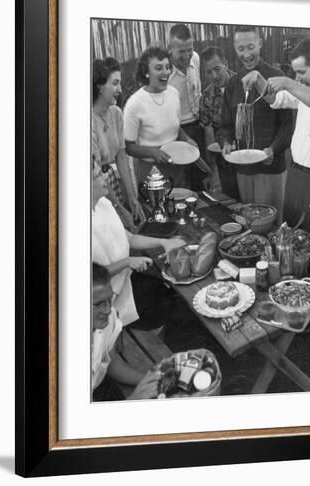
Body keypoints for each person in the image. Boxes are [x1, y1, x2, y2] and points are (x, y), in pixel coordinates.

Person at [242, 38, 310, 233]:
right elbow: (275, 99)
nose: (298, 78)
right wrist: (258, 78)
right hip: (294, 175)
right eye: (295, 73)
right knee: (290, 233)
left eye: (301, 72)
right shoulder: (305, 88)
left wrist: (287, 82)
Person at [92, 158, 186, 328]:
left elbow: (129, 237)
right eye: (98, 175)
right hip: (107, 298)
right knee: (165, 302)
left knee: (167, 290)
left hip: (126, 278)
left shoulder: (103, 204)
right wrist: (127, 262)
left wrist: (164, 242)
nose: (105, 178)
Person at [217, 26, 293, 224]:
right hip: (243, 168)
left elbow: (287, 126)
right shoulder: (233, 84)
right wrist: (225, 141)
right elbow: (225, 124)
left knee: (272, 222)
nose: (246, 54)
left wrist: (273, 149)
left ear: (260, 43)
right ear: (234, 48)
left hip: (272, 168)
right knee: (249, 221)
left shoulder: (276, 77)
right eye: (241, 49)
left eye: (251, 47)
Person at [123, 46, 197, 188]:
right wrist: (152, 152)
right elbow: (128, 147)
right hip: (151, 170)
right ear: (146, 72)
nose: (165, 72)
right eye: (158, 68)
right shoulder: (135, 103)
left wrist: (186, 139)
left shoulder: (173, 93)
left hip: (177, 166)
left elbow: (175, 126)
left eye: (167, 67)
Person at [91, 262, 162, 400]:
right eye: (98, 304)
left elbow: (112, 362)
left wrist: (150, 380)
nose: (107, 310)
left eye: (109, 299)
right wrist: (135, 398)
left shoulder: (108, 317)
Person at [92, 57, 145, 229]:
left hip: (112, 183)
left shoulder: (116, 113)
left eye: (120, 83)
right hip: (95, 188)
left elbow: (122, 158)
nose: (120, 89)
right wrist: (118, 208)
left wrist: (132, 198)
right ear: (99, 86)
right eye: (115, 83)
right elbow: (96, 171)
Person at [167, 23, 206, 191]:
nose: (187, 55)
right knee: (181, 183)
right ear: (170, 49)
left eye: (189, 49)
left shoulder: (195, 59)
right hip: (176, 133)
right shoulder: (164, 73)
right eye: (181, 51)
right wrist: (183, 137)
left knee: (201, 180)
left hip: (199, 127)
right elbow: (164, 115)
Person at [199, 46, 239, 198]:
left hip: (247, 155)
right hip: (224, 157)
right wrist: (212, 171)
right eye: (209, 72)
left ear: (226, 64)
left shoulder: (242, 84)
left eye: (217, 69)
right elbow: (209, 136)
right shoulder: (207, 96)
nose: (214, 76)